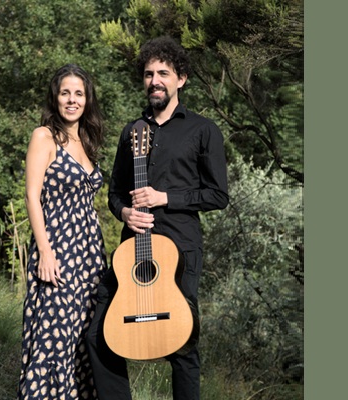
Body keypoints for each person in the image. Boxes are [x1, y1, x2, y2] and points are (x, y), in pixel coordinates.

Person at [86, 36, 229, 400]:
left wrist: (165, 198)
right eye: (149, 74)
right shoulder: (132, 131)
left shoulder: (203, 130)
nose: (155, 81)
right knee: (98, 334)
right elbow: (115, 192)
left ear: (181, 78)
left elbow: (217, 195)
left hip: (181, 251)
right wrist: (124, 212)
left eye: (163, 73)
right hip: (133, 252)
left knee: (182, 345)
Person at [18, 64, 107, 400]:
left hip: (89, 256)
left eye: (79, 94)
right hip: (57, 249)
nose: (72, 100)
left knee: (82, 341)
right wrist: (45, 252)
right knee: (52, 338)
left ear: (87, 99)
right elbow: (32, 195)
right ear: (55, 98)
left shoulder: (87, 140)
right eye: (65, 93)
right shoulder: (44, 136)